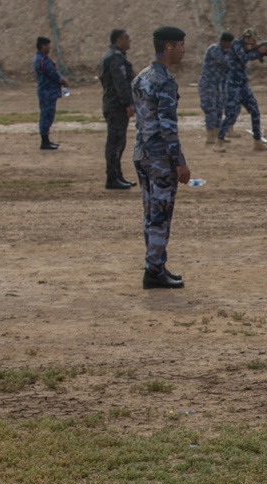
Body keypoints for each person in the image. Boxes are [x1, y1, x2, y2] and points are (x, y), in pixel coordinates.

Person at [132, 26, 191, 289]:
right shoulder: (164, 81)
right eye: (180, 45)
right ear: (168, 47)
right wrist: (180, 161)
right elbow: (168, 127)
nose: (183, 50)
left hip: (142, 153)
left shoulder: (142, 76)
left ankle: (156, 265)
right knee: (161, 214)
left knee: (151, 213)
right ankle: (153, 271)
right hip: (159, 158)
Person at [216, 28, 267, 152]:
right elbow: (244, 57)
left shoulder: (246, 47)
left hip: (243, 85)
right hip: (233, 85)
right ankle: (219, 141)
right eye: (252, 40)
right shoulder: (236, 45)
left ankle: (257, 141)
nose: (253, 43)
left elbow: (261, 52)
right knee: (231, 114)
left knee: (255, 112)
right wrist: (259, 52)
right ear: (246, 38)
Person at [98, 29, 136, 189]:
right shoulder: (115, 58)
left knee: (118, 141)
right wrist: (128, 103)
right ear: (119, 40)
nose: (130, 40)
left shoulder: (112, 56)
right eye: (127, 38)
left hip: (113, 104)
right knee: (115, 142)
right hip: (116, 105)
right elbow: (120, 83)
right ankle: (112, 177)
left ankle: (117, 175)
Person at [198, 32, 234, 145]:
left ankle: (218, 134)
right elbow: (225, 61)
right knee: (210, 109)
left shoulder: (227, 51)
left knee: (219, 109)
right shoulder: (214, 49)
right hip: (208, 84)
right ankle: (210, 135)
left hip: (219, 84)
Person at [33, 37, 67, 150]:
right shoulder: (43, 60)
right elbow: (53, 73)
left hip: (46, 91)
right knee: (47, 115)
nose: (49, 48)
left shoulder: (40, 58)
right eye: (47, 45)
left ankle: (46, 140)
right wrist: (62, 81)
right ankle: (45, 141)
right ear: (43, 46)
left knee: (47, 115)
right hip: (47, 91)